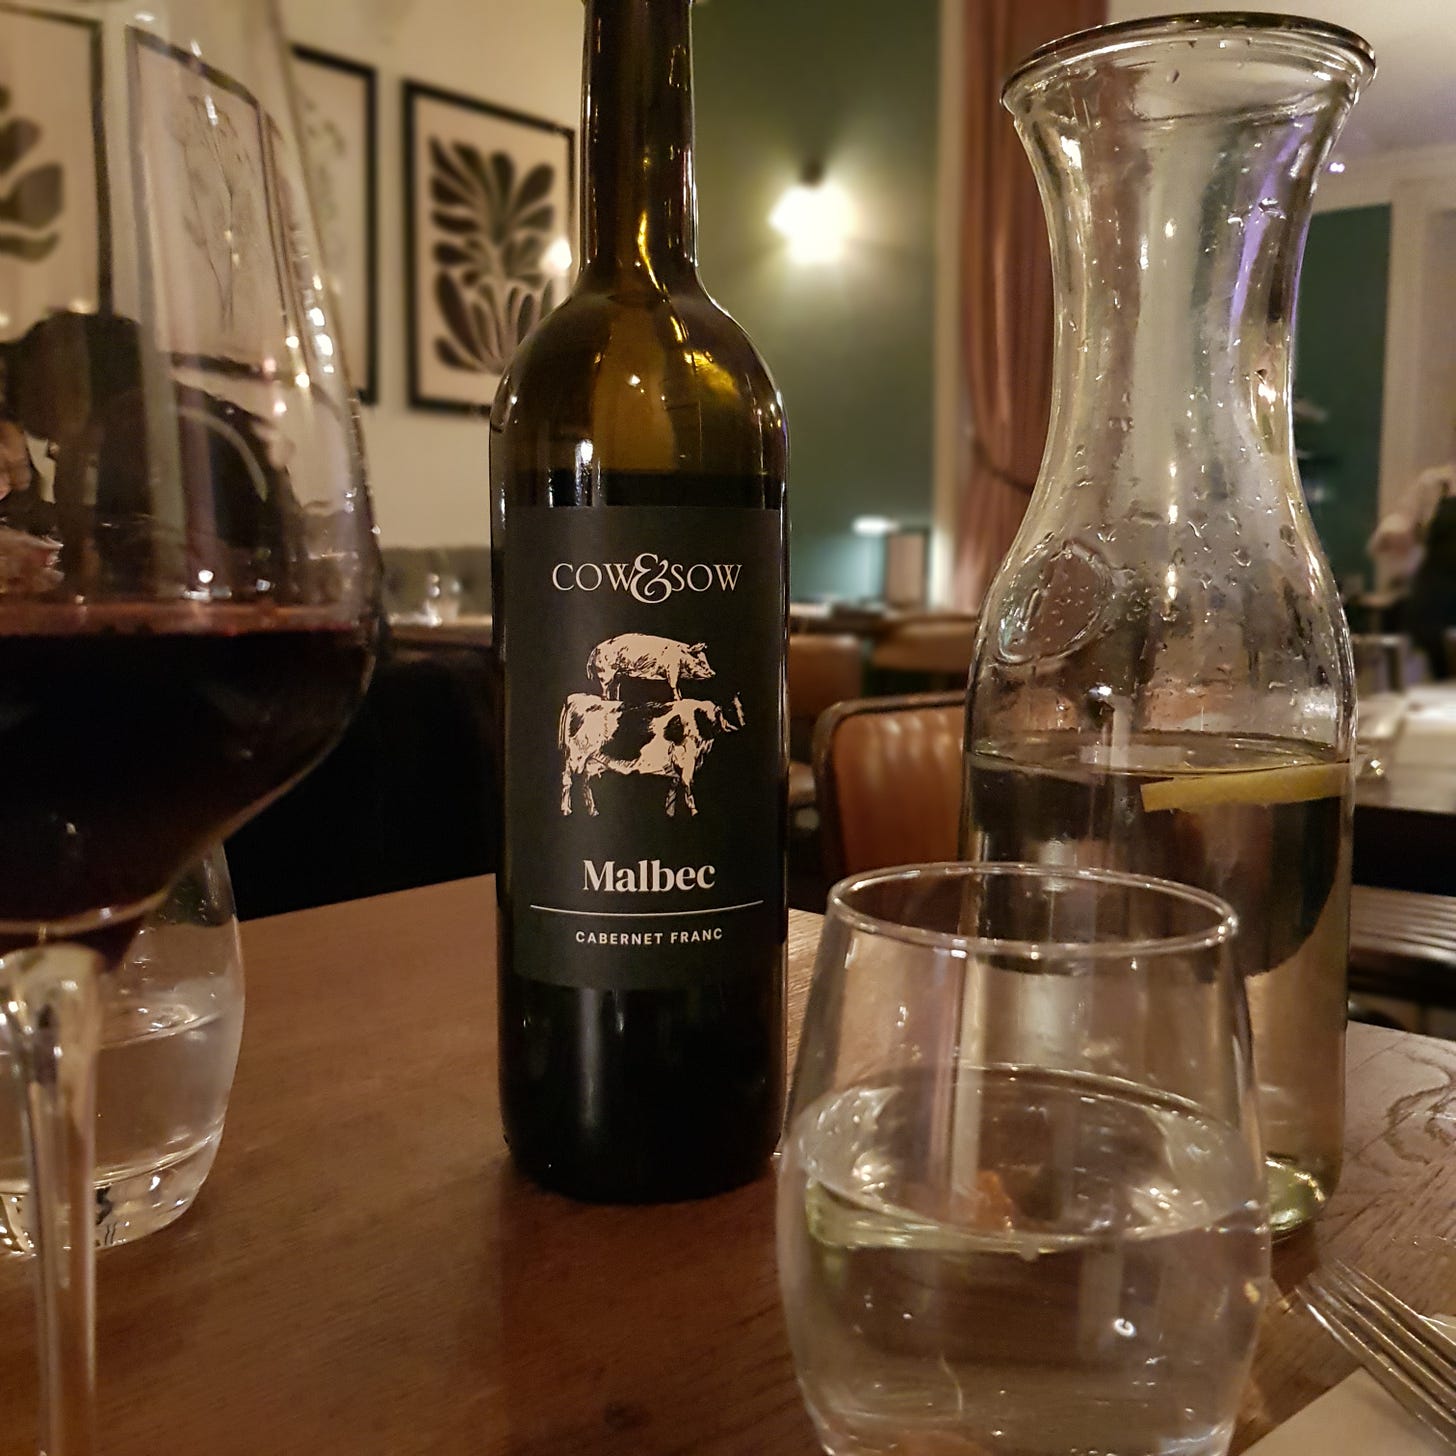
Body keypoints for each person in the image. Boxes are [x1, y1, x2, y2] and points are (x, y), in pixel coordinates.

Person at [1369, 459, 1456, 676]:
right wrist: (1395, 532)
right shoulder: (1436, 483)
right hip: (1435, 604)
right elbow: (1400, 522)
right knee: (1435, 678)